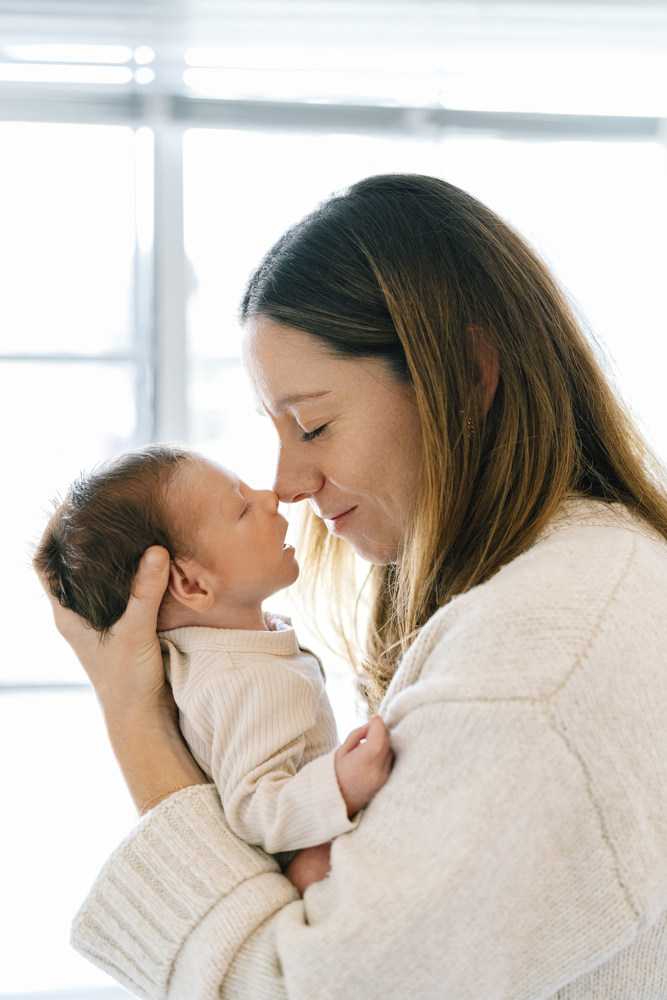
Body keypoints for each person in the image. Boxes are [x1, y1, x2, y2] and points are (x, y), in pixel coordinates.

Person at [41, 174, 667, 999]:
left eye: (313, 425)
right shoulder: (584, 584)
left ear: (467, 375)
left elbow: (301, 990)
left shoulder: (532, 668)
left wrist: (136, 722)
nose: (287, 482)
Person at [33, 444, 391, 872]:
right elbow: (256, 810)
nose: (269, 496)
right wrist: (341, 785)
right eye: (242, 509)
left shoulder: (227, 652)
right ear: (193, 585)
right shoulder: (242, 679)